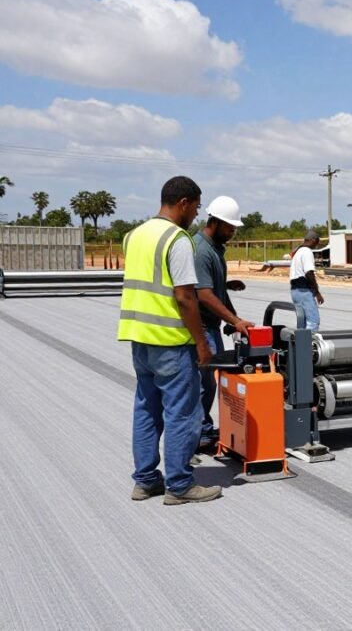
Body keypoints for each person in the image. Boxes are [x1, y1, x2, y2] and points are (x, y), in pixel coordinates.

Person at [118, 175, 221, 505]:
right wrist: (202, 343)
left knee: (147, 410)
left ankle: (145, 481)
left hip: (139, 339)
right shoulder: (177, 239)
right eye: (196, 207)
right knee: (182, 413)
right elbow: (185, 297)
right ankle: (179, 485)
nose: (197, 214)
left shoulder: (134, 236)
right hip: (171, 342)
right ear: (183, 203)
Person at [193, 195, 255, 451]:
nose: (232, 232)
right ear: (215, 222)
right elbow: (204, 294)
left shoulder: (216, 248)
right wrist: (236, 321)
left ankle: (203, 430)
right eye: (229, 227)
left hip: (213, 326)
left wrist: (233, 320)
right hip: (201, 327)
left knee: (209, 383)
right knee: (201, 384)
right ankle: (194, 437)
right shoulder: (200, 249)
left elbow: (216, 290)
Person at [290, 230, 324, 331]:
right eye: (317, 242)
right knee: (313, 321)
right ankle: (308, 346)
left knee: (302, 322)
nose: (317, 245)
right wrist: (317, 293)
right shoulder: (307, 252)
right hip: (304, 291)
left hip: (295, 291)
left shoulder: (298, 252)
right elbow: (309, 273)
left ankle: (300, 345)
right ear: (313, 240)